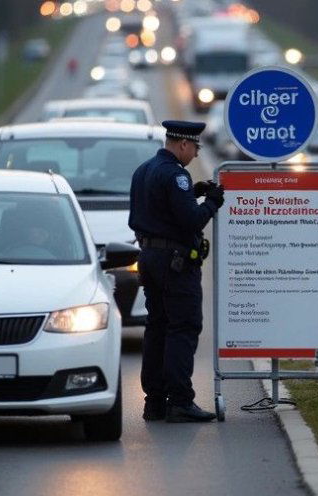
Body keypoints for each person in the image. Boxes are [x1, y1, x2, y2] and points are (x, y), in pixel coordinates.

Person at [128, 120, 225, 423]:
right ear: (183, 144)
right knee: (183, 327)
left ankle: (154, 402)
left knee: (157, 327)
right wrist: (211, 202)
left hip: (149, 257)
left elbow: (158, 209)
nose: (196, 155)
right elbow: (190, 221)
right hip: (175, 262)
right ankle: (181, 400)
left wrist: (194, 192)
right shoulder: (176, 175)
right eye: (195, 148)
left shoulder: (144, 170)